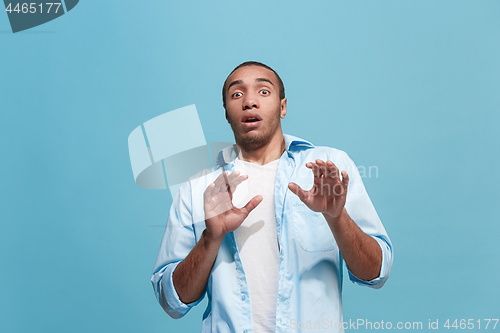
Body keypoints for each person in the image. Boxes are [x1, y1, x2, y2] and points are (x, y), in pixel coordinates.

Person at [151, 61, 393, 333]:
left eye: (263, 91)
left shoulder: (329, 168)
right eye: (236, 94)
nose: (249, 101)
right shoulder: (199, 189)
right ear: (227, 113)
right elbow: (172, 301)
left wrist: (336, 218)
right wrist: (211, 237)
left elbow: (376, 273)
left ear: (283, 106)